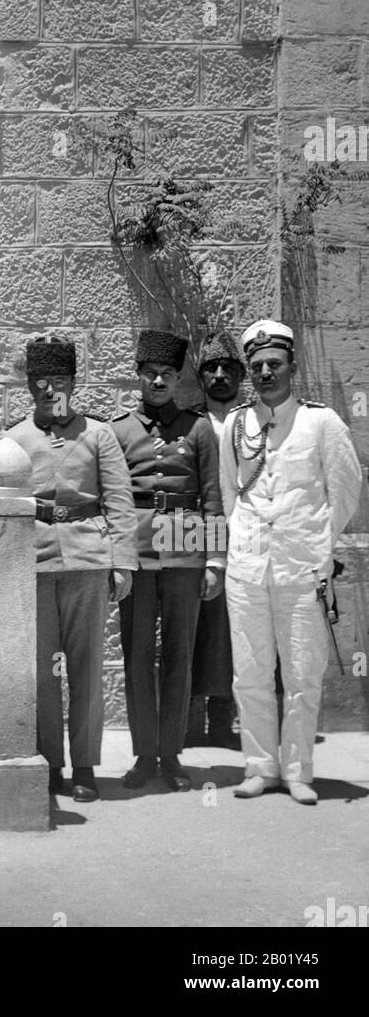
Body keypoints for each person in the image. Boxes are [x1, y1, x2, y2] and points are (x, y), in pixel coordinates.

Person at [220, 319, 363, 805]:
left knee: (302, 673)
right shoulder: (238, 424)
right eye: (257, 366)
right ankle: (260, 767)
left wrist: (320, 546)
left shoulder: (322, 422)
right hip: (248, 568)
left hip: (302, 569)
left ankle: (299, 771)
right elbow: (228, 494)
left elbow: (345, 490)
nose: (265, 372)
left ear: (292, 367)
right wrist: (241, 542)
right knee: (251, 672)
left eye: (274, 364)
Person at [7, 333, 138, 802]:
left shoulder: (98, 435)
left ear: (73, 383)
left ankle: (84, 765)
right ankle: (50, 764)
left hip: (87, 560)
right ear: (29, 386)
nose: (49, 390)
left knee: (85, 668)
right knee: (44, 671)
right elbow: (0, 506)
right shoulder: (14, 440)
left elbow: (120, 501)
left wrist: (122, 563)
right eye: (40, 381)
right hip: (35, 564)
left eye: (59, 381)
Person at [112, 329, 225, 791]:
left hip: (186, 548)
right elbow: (114, 501)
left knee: (180, 653)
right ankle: (143, 756)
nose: (158, 381)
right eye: (151, 373)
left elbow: (214, 496)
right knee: (138, 655)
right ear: (138, 375)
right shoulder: (118, 431)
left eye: (168, 375)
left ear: (178, 379)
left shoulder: (198, 429)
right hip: (138, 551)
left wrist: (215, 559)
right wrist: (116, 557)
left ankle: (173, 757)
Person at [185, 331, 245, 750]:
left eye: (228, 369)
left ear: (240, 375)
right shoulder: (189, 423)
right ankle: (186, 722)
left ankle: (224, 723)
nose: (220, 375)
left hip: (246, 534)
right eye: (211, 369)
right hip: (195, 534)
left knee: (234, 630)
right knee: (194, 626)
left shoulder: (257, 421)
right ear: (201, 376)